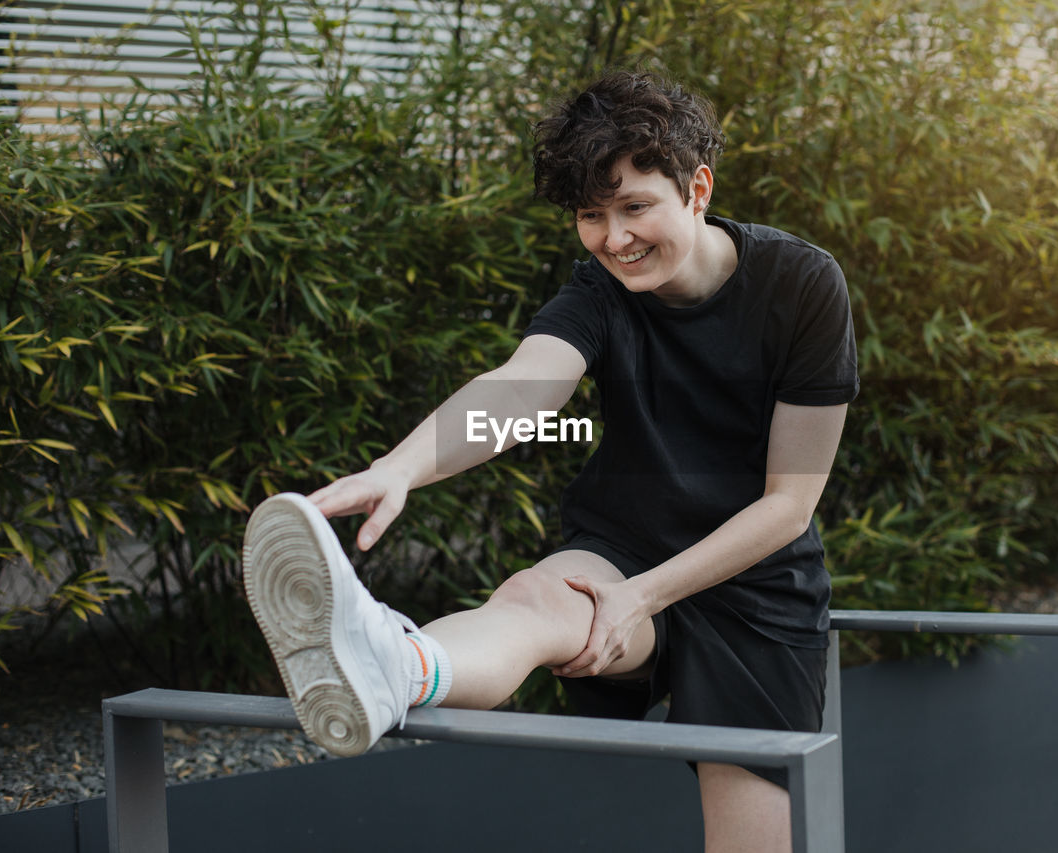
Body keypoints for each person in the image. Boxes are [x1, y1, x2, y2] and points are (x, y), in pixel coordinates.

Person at [243, 68, 858, 853]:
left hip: (757, 590)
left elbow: (788, 506)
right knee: (537, 600)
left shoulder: (802, 284)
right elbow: (521, 389)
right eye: (591, 216)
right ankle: (397, 665)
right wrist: (398, 467)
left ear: (696, 187)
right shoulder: (600, 289)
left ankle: (395, 658)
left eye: (635, 206)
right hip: (625, 544)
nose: (614, 238)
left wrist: (644, 597)